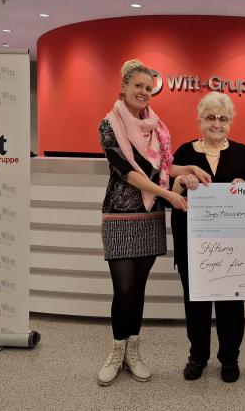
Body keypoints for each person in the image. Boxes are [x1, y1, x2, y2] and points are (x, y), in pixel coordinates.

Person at [96, 59, 210, 386]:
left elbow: (161, 168)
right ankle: (116, 352)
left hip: (150, 216)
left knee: (139, 290)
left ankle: (133, 350)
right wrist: (169, 195)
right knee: (124, 288)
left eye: (149, 88)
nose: (144, 93)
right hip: (120, 215)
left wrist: (187, 169)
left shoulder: (156, 127)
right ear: (124, 88)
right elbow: (128, 172)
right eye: (138, 87)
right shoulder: (109, 124)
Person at [170, 92, 245, 383]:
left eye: (222, 118)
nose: (216, 123)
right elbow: (169, 194)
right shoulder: (184, 153)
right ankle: (197, 356)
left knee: (231, 303)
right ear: (199, 120)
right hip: (193, 245)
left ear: (230, 122)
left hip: (234, 247)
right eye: (210, 117)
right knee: (195, 302)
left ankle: (230, 359)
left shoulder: (244, 153)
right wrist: (182, 181)